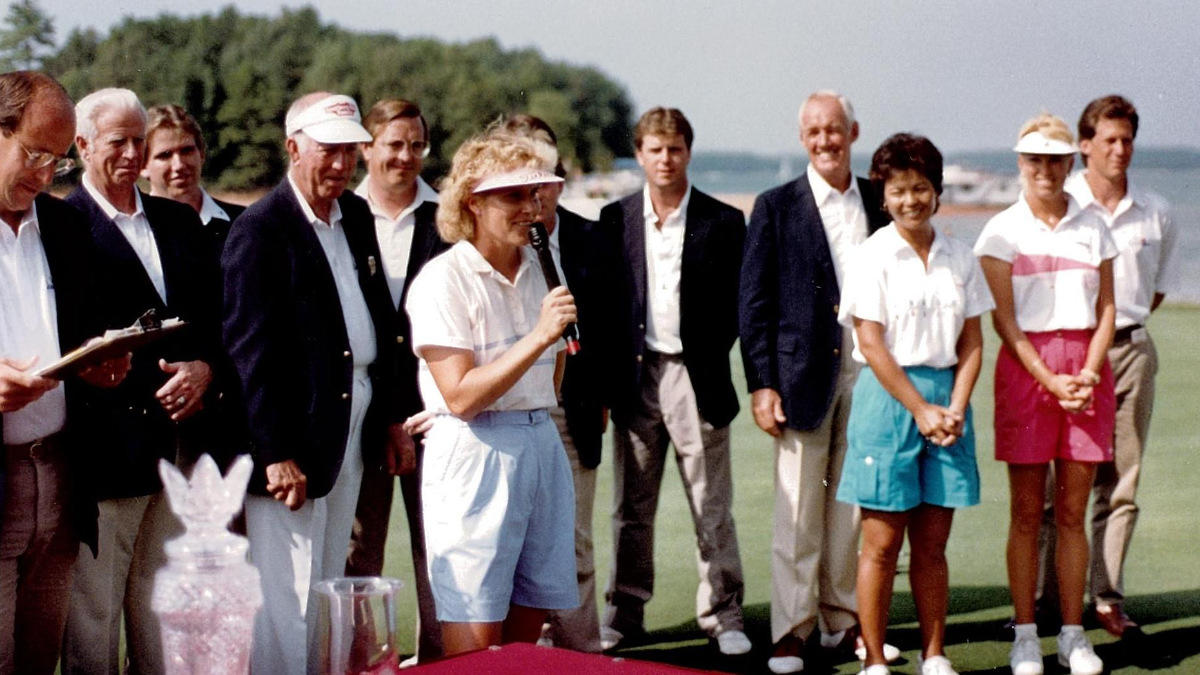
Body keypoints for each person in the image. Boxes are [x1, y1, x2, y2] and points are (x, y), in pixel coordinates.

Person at [221, 92, 412, 675]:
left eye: (350, 152)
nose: (340, 165)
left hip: (350, 420)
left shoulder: (353, 215)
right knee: (287, 592)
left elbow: (381, 317)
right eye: (327, 151)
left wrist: (393, 416)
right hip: (294, 436)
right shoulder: (259, 230)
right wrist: (275, 453)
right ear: (293, 148)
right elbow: (249, 353)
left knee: (328, 582)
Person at [62, 87, 223, 675]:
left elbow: (219, 323)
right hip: (104, 455)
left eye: (139, 141)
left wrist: (207, 369)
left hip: (182, 451)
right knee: (94, 619)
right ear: (81, 146)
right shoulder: (60, 226)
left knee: (166, 617)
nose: (132, 154)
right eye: (118, 142)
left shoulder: (179, 222)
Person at [402, 130, 578, 656]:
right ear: (473, 202)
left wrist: (548, 344)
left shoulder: (543, 267)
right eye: (513, 196)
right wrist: (540, 336)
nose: (530, 208)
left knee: (530, 614)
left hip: (539, 441)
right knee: (475, 629)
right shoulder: (443, 280)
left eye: (534, 195)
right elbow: (458, 396)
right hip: (476, 452)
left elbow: (553, 376)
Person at [739, 91, 893, 674]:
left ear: (854, 132)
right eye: (814, 132)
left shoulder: (879, 202)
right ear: (802, 138)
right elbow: (752, 303)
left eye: (835, 130)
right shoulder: (775, 206)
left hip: (870, 373)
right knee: (798, 513)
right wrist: (762, 383)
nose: (826, 141)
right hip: (799, 376)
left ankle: (842, 620)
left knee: (851, 510)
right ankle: (792, 630)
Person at [836, 133, 992, 675]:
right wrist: (920, 410)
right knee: (880, 544)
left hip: (948, 403)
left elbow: (972, 343)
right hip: (888, 402)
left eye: (920, 188)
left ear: (937, 191)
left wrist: (953, 406)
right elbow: (872, 344)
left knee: (932, 547)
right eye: (899, 190)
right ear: (884, 196)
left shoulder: (960, 257)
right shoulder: (870, 256)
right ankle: (875, 659)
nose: (910, 200)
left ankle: (934, 654)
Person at [600, 107, 750, 657]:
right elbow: (607, 307)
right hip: (637, 376)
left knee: (711, 503)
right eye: (655, 150)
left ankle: (724, 613)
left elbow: (741, 306)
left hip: (698, 377)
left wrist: (709, 356)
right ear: (639, 154)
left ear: (688, 152)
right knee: (631, 508)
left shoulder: (722, 221)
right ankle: (624, 612)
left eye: (675, 149)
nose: (665, 159)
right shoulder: (613, 220)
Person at [974, 113, 1116, 675]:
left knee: (1074, 513)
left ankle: (1073, 634)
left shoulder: (1093, 226)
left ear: (1069, 163)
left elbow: (1106, 309)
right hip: (1026, 373)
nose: (1045, 170)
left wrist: (1087, 370)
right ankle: (1027, 634)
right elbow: (1005, 324)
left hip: (1086, 375)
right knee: (1027, 513)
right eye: (1034, 159)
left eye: (1055, 159)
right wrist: (1049, 377)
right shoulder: (1000, 232)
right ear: (1020, 163)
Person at [0, 70, 129, 675]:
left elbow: (79, 331)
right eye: (32, 153)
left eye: (56, 161)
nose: (43, 175)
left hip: (60, 473)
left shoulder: (65, 224)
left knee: (38, 657)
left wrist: (98, 366)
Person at [1055, 95, 1177, 638]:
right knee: (1059, 484)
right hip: (1070, 358)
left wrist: (1121, 333)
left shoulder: (1156, 211)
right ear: (1084, 146)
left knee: (1119, 483)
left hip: (1132, 351)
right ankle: (1042, 602)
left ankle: (1106, 599)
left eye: (1127, 139)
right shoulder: (1061, 203)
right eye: (1108, 139)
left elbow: (1153, 291)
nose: (1119, 149)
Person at [500, 114, 610, 653]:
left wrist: (604, 396)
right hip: (505, 409)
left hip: (574, 409)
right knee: (507, 541)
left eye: (543, 175)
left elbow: (611, 323)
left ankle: (580, 651)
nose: (533, 189)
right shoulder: (490, 244)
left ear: (559, 180)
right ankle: (516, 651)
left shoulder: (591, 237)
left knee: (573, 541)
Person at [346, 97, 447, 663]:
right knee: (361, 552)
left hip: (435, 409)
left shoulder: (448, 217)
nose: (405, 157)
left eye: (415, 145)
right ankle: (361, 659)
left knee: (438, 548)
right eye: (393, 144)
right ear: (367, 148)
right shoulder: (342, 214)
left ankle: (440, 658)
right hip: (364, 413)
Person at [141, 104, 245, 251]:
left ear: (201, 153)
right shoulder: (136, 233)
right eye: (165, 155)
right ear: (143, 166)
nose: (179, 165)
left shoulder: (244, 223)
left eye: (186, 151)